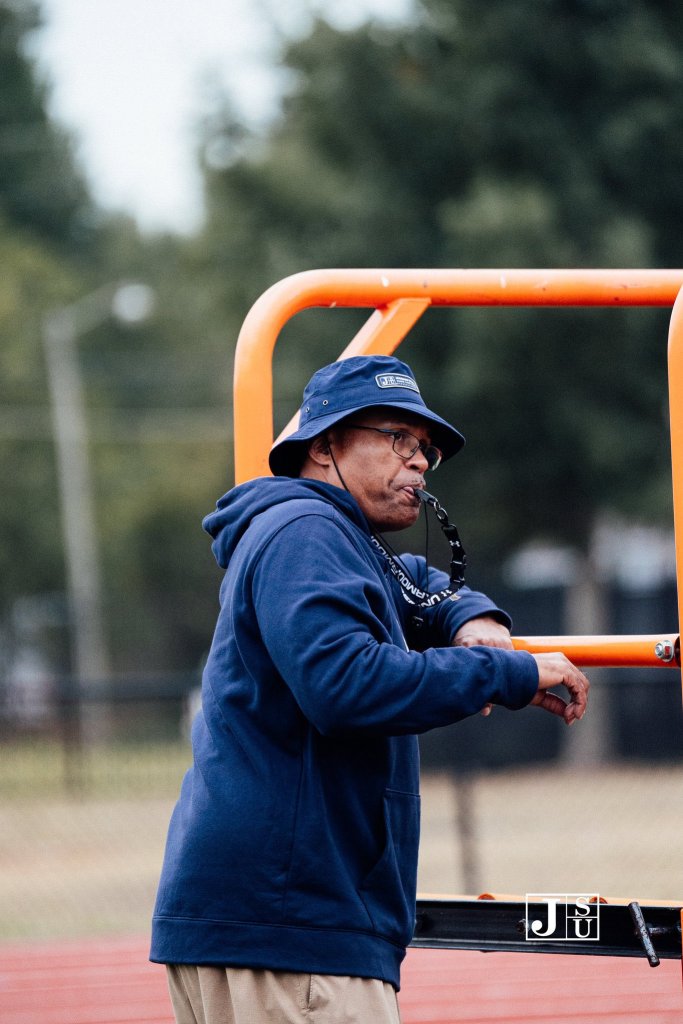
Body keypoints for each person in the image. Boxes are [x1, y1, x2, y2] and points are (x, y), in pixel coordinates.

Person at [151, 354, 589, 1024]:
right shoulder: (307, 531)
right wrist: (508, 672)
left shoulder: (332, 537)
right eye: (396, 439)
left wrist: (468, 615)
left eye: (425, 451)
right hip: (289, 925)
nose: (418, 461)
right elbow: (345, 686)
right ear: (323, 446)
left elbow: (414, 581)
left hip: (278, 918)